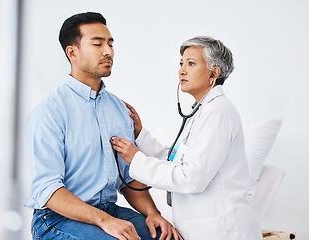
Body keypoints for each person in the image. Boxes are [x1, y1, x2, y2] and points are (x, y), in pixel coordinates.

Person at [24, 12, 182, 240]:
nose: (108, 51)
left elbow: (128, 176)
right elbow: (47, 190)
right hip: (56, 218)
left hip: (108, 210)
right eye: (97, 43)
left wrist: (152, 213)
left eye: (110, 43)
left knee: (170, 237)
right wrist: (105, 221)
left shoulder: (119, 109)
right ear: (72, 53)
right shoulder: (49, 112)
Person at [111, 36, 263, 239]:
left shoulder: (217, 113)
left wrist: (136, 159)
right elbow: (176, 161)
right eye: (181, 63)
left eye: (191, 63)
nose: (182, 70)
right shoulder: (202, 112)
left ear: (214, 73)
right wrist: (140, 135)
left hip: (225, 230)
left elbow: (191, 178)